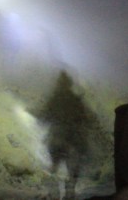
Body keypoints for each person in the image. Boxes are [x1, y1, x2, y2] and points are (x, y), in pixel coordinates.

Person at [37, 70, 96, 199]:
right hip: (73, 140)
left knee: (54, 167)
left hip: (58, 138)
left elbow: (44, 116)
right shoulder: (75, 99)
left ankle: (54, 193)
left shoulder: (54, 98)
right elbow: (86, 119)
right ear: (69, 85)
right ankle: (69, 191)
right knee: (73, 170)